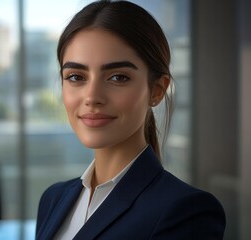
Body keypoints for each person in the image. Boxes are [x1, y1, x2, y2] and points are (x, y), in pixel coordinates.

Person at [35, 1, 226, 239]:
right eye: (75, 77)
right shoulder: (53, 199)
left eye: (118, 77)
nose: (92, 97)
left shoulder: (187, 211)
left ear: (156, 90)